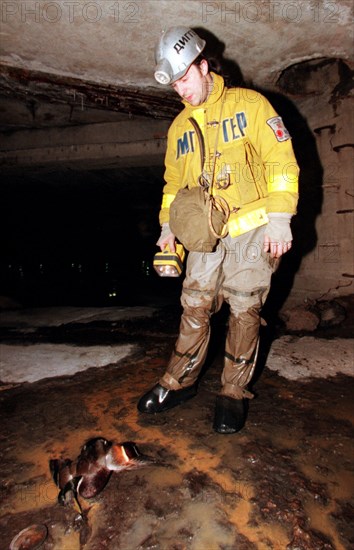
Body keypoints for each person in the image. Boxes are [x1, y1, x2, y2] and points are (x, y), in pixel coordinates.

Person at [137, 27, 299, 434]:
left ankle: (232, 392)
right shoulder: (179, 128)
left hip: (253, 228)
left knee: (245, 310)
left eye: (185, 79)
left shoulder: (252, 106)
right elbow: (173, 185)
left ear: (203, 66)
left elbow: (282, 162)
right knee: (194, 305)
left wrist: (280, 219)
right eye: (174, 84)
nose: (181, 91)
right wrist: (166, 230)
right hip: (204, 233)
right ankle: (180, 382)